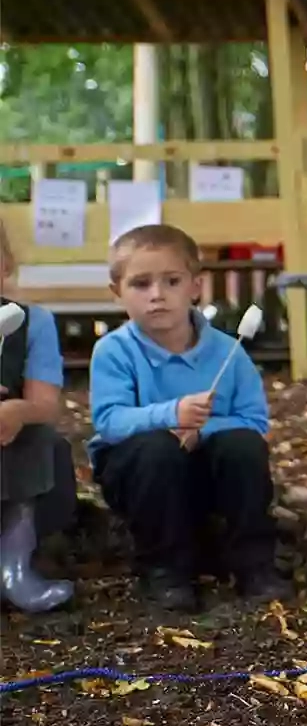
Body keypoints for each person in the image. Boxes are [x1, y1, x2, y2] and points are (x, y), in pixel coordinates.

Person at [88, 224, 287, 611]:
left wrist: (203, 431)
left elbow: (255, 423)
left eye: (172, 281)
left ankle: (254, 564)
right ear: (118, 293)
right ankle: (165, 571)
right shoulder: (113, 351)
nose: (157, 295)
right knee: (156, 449)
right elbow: (109, 422)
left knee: (242, 446)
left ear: (196, 287)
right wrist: (171, 415)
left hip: (209, 472)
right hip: (141, 475)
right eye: (141, 284)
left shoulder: (229, 352)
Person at [0, 221, 76, 612]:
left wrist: (17, 410)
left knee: (36, 436)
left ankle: (14, 564)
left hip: (11, 444)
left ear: (6, 263)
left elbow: (45, 403)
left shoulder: (32, 323)